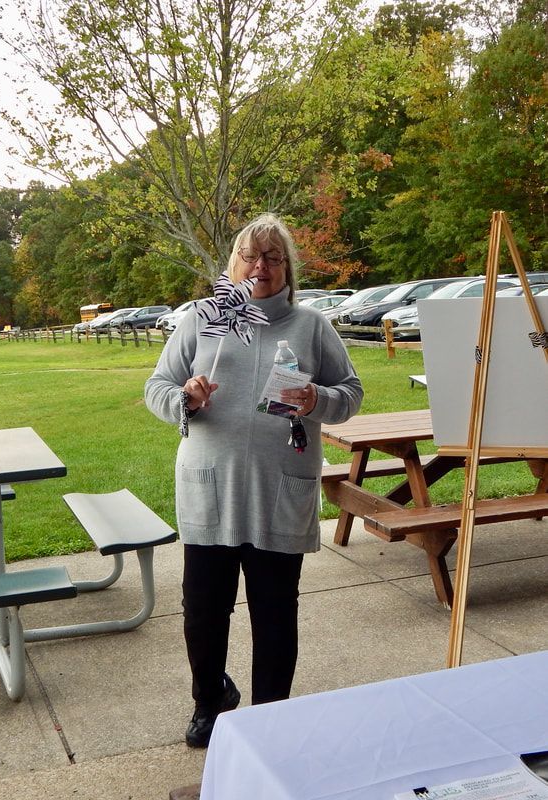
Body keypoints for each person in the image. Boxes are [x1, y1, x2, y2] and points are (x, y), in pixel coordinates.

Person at [144, 213, 363, 748]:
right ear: (232, 264)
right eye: (249, 255)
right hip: (210, 487)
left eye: (272, 257)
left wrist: (319, 400)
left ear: (287, 268)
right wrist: (185, 399)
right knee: (202, 608)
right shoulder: (203, 320)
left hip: (278, 489)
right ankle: (209, 701)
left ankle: (271, 713)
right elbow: (157, 387)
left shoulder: (311, 326)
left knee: (274, 610)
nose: (259, 266)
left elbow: (351, 392)